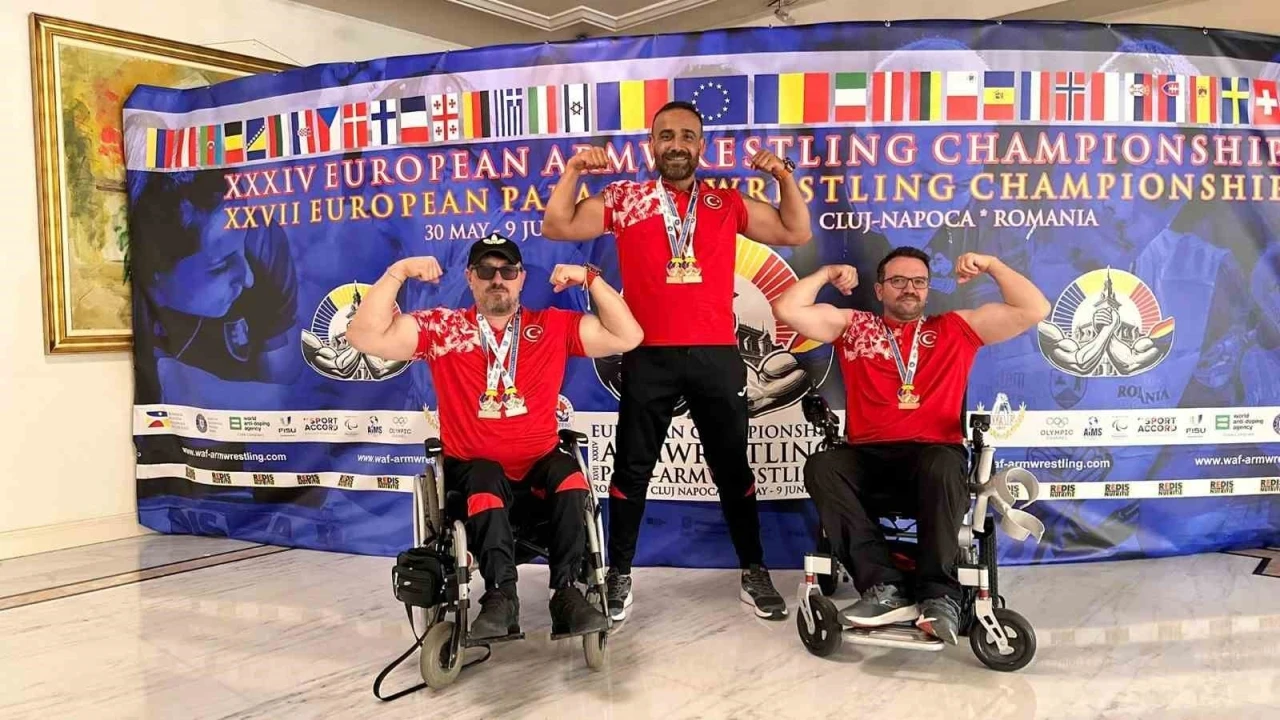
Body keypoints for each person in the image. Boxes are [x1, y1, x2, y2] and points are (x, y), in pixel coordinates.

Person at [541, 100, 813, 621]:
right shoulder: (626, 198)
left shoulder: (724, 201)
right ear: (652, 145)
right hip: (648, 354)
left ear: (701, 146)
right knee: (632, 469)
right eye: (666, 135)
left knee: (733, 468)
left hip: (716, 355)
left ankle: (753, 570)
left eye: (687, 136)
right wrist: (573, 171)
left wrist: (783, 178)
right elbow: (558, 226)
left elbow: (795, 232)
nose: (677, 145)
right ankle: (620, 574)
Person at [345, 234, 644, 640]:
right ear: (470, 277)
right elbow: (363, 336)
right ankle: (502, 596)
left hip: (537, 473)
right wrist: (398, 272)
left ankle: (565, 593)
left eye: (507, 270)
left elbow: (628, 336)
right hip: (473, 477)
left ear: (521, 278)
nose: (497, 279)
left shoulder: (552, 326)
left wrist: (591, 279)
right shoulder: (444, 328)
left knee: (571, 476)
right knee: (485, 475)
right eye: (486, 271)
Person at [771, 247, 1049, 643]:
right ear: (880, 289)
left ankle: (940, 596)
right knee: (822, 465)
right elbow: (787, 309)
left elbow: (1034, 308)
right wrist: (826, 273)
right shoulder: (855, 326)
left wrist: (992, 265)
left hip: (933, 460)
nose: (909, 289)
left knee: (942, 461)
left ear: (928, 289)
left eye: (919, 282)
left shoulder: (956, 328)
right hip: (869, 460)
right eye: (898, 281)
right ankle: (884, 588)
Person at [128, 169, 302, 410]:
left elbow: (283, 388)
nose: (248, 278)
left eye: (241, 247)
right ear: (155, 274)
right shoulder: (131, 302)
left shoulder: (262, 240)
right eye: (221, 266)